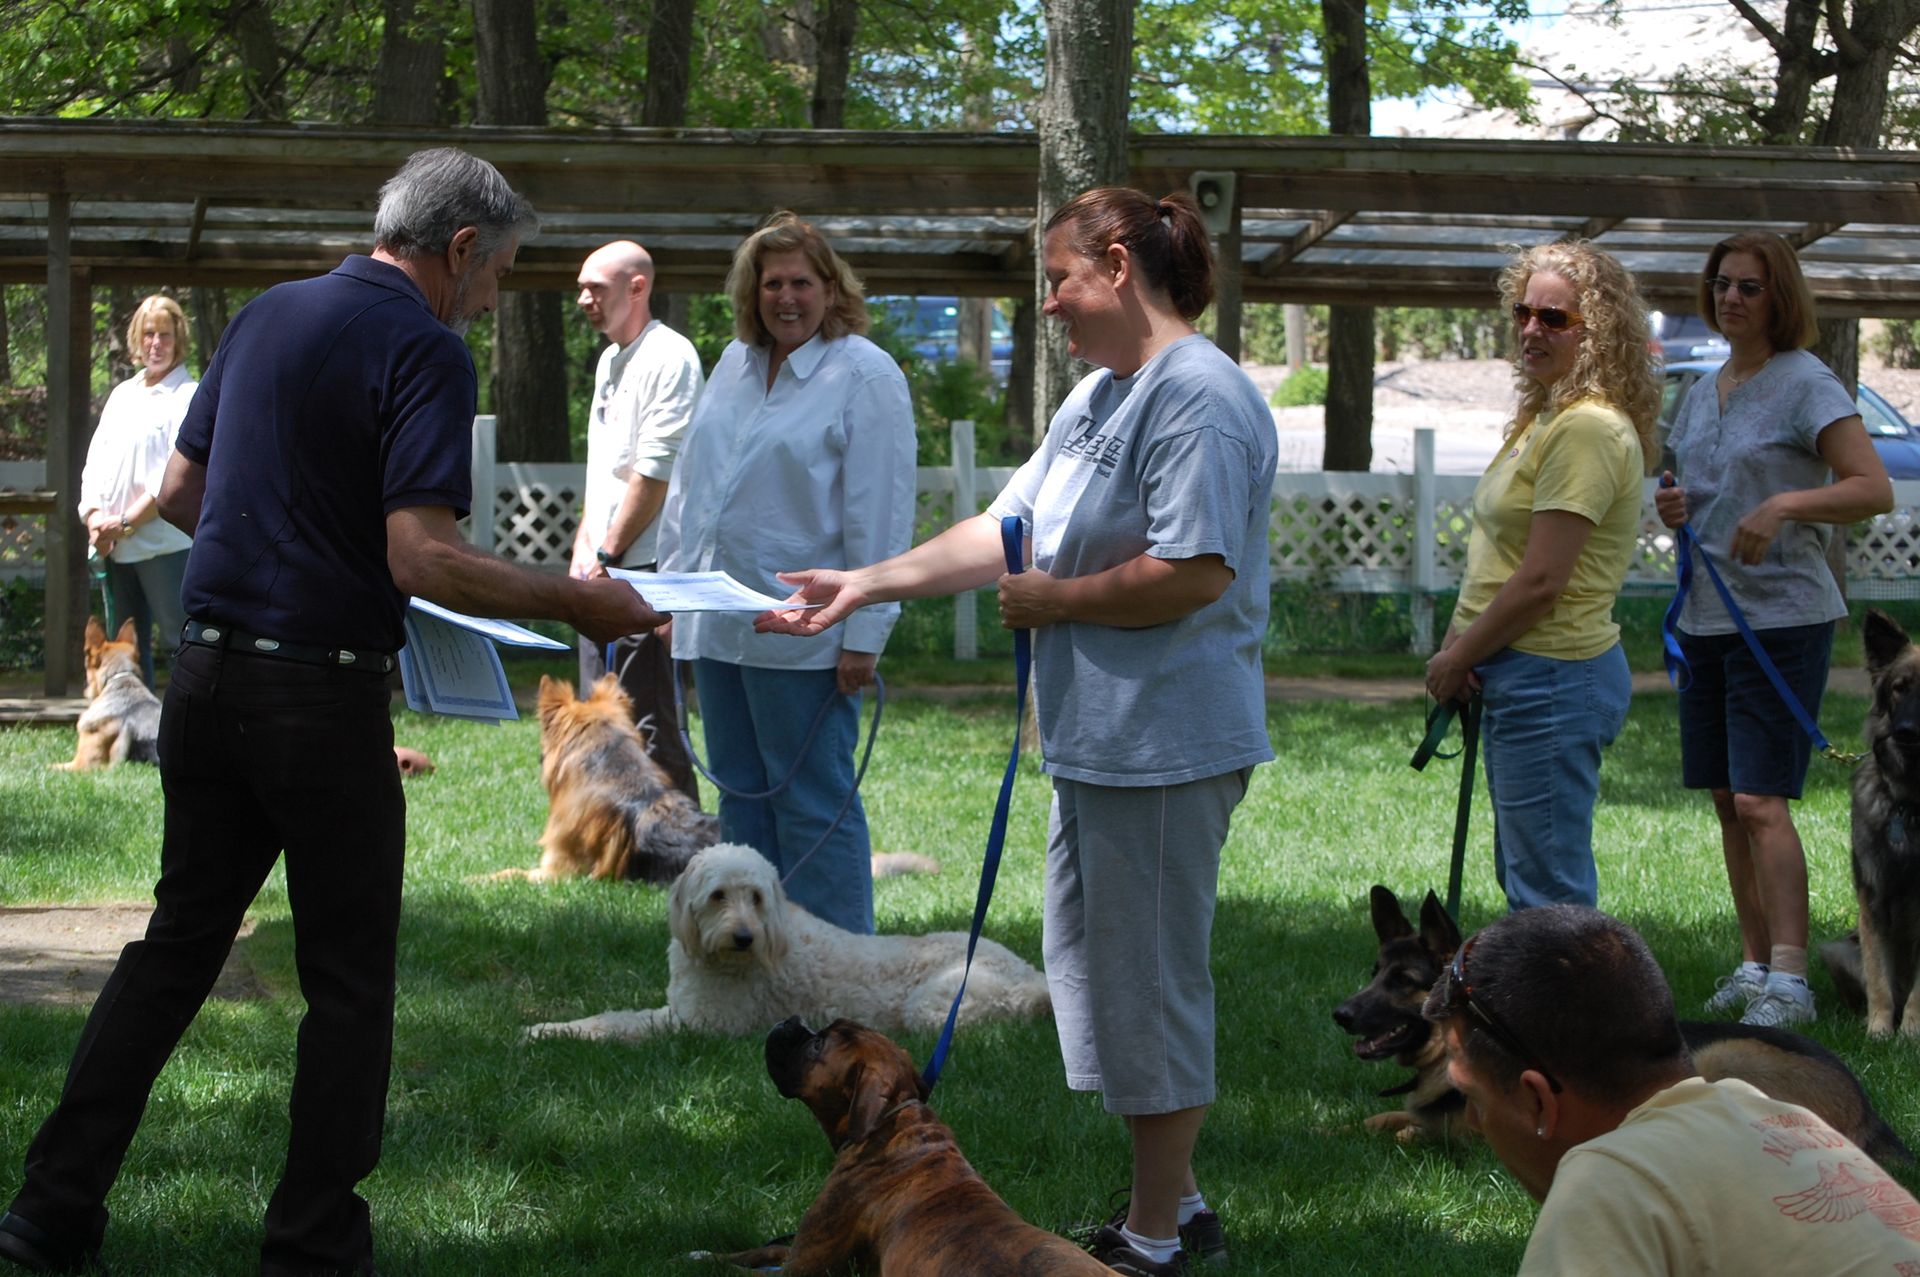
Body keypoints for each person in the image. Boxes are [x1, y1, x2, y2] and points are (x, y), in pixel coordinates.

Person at [0, 147, 662, 1277]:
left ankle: (48, 1212)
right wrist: (578, 596)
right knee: (348, 981)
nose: (494, 294)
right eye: (497, 272)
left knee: (173, 948)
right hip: (319, 692)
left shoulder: (263, 316)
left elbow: (185, 495)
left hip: (206, 680)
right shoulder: (425, 347)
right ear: (458, 251)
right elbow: (422, 553)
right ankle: (310, 1247)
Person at [756, 186, 1276, 1276]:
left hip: (1168, 743)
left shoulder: (1201, 395)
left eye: (1060, 277)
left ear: (1121, 263)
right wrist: (866, 580)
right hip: (1098, 741)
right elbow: (1008, 528)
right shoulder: (1097, 395)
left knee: (1152, 978)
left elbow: (1196, 570)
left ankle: (1156, 1238)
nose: (1050, 303)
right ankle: (1178, 1204)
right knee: (1094, 970)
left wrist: (1060, 602)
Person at [654, 210, 915, 936]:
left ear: (832, 288)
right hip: (717, 624)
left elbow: (881, 512)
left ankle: (840, 975)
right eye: (772, 283)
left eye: (802, 281)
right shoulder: (733, 364)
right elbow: (690, 488)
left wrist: (865, 629)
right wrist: (674, 593)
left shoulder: (863, 372)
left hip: (805, 627)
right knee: (741, 800)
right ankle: (755, 966)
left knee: (811, 804)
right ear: (751, 291)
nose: (786, 297)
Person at [1656, 231, 1893, 1028]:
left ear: (1779, 296)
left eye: (1750, 287)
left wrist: (1788, 503)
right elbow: (1696, 482)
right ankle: (1754, 962)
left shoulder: (1804, 382)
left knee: (1761, 798)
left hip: (1781, 617)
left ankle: (1790, 980)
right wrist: (1676, 507)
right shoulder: (1706, 384)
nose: (1731, 297)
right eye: (1722, 283)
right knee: (1727, 797)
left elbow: (1871, 486)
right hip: (1707, 617)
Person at [1421, 905, 1920, 1275]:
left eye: (1475, 1100)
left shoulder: (1604, 1182)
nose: (1471, 1122)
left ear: (1537, 1100)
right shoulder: (1785, 1123)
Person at [1425, 241, 1661, 911]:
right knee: (1528, 876)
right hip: (1519, 669)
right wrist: (1460, 649)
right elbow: (1495, 555)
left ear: (1600, 331)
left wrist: (1457, 657)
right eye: (1524, 312)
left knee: (1549, 893)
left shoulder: (1586, 430)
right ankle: (1548, 1012)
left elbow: (1541, 580)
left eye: (1554, 318)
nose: (1532, 328)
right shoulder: (1548, 417)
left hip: (1553, 675)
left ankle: (1581, 1015)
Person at [570, 239, 704, 797]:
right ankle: (615, 844)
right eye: (580, 288)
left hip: (645, 571)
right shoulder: (609, 360)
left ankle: (683, 853)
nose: (582, 299)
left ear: (637, 287)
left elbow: (655, 473)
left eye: (595, 288)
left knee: (647, 719)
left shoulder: (670, 357)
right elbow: (606, 471)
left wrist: (608, 553)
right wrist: (584, 543)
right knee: (601, 719)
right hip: (602, 570)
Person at [75, 293, 198, 685]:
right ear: (136, 338)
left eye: (164, 334)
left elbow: (170, 474)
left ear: (178, 339)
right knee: (123, 649)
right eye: (148, 334)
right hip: (114, 545)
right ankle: (131, 733)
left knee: (180, 645)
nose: (155, 344)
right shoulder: (123, 394)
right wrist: (94, 517)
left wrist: (124, 523)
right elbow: (95, 460)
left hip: (163, 545)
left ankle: (184, 738)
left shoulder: (187, 395)